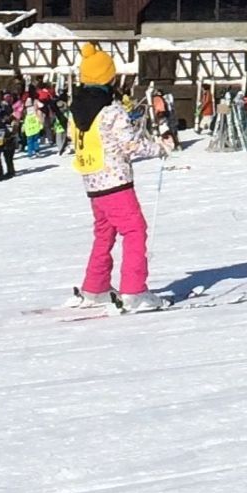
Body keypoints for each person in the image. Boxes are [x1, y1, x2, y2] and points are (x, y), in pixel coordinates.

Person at [66, 43, 168, 313]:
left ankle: (96, 285)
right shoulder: (111, 112)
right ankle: (134, 290)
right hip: (115, 181)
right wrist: (158, 147)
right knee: (134, 230)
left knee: (104, 231)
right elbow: (132, 145)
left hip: (92, 180)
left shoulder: (76, 111)